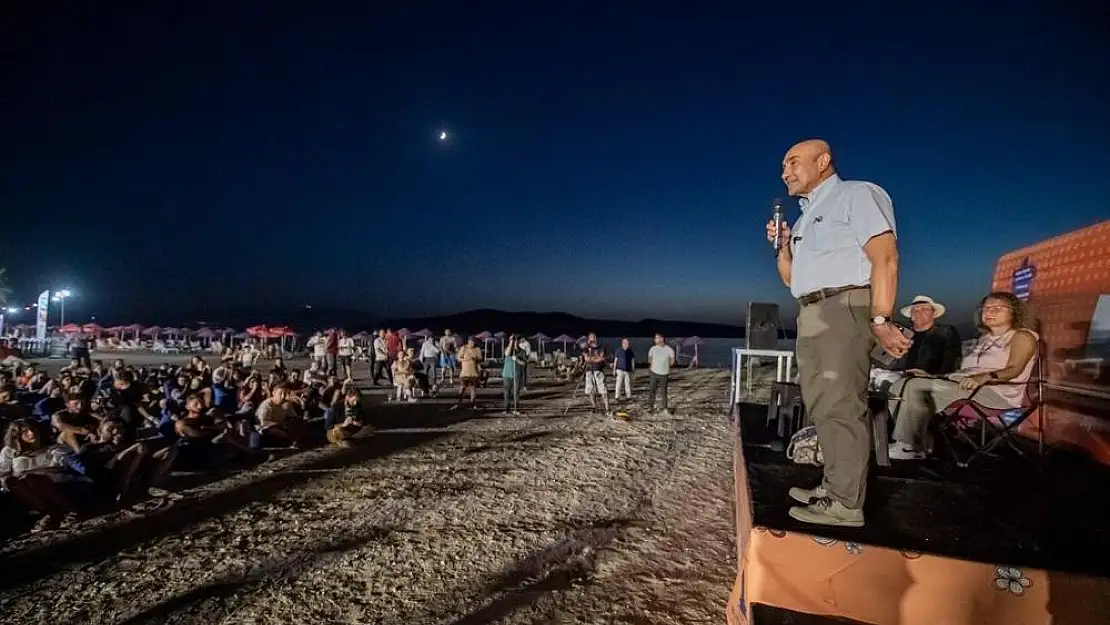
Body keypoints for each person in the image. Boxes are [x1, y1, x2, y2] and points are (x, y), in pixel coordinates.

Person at [767, 139, 911, 528]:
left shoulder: (856, 194)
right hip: (811, 311)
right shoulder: (802, 220)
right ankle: (834, 486)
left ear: (824, 161)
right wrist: (782, 248)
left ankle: (846, 504)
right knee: (822, 403)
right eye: (783, 165)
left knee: (841, 403)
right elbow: (792, 279)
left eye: (793, 162)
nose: (785, 172)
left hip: (844, 309)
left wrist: (881, 319)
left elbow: (885, 257)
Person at [887, 292, 1038, 460]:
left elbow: (1014, 369)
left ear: (1014, 312)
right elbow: (965, 372)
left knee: (915, 388)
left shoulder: (1021, 336)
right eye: (985, 309)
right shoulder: (983, 339)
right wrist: (931, 376)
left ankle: (910, 446)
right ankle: (920, 441)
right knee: (899, 385)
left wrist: (983, 377)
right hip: (966, 386)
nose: (988, 313)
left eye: (997, 309)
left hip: (994, 392)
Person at [580, 333, 609, 414]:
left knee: (603, 390)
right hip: (589, 371)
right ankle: (594, 406)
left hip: (598, 370)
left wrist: (592, 359)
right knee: (590, 390)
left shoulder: (601, 347)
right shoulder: (586, 348)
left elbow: (601, 358)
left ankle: (607, 408)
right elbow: (586, 359)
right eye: (590, 338)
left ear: (596, 338)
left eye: (593, 337)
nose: (592, 339)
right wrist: (593, 358)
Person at [646, 333, 675, 413]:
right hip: (653, 373)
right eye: (655, 338)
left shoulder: (669, 349)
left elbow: (672, 361)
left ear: (662, 339)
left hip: (664, 374)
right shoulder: (652, 349)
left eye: (657, 338)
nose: (655, 339)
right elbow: (649, 360)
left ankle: (665, 408)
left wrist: (664, 365)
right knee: (652, 390)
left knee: (663, 392)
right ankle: (650, 407)